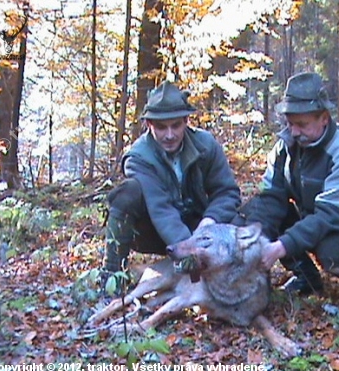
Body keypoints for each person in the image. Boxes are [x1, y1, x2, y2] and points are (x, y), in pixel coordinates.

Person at [242, 72, 339, 317]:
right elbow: (270, 197)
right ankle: (307, 278)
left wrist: (279, 248)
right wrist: (258, 239)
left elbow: (330, 216)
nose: (294, 131)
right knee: (255, 212)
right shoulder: (285, 147)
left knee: (331, 249)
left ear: (324, 118)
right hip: (312, 217)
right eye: (290, 123)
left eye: (302, 124)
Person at [101, 80, 241, 292]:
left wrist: (209, 223)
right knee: (127, 193)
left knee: (245, 221)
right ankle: (111, 279)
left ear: (186, 121)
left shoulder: (206, 145)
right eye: (161, 127)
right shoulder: (138, 158)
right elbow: (161, 210)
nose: (169, 135)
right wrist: (189, 254)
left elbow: (227, 192)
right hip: (156, 232)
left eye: (176, 125)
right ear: (149, 125)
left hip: (201, 227)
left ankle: (237, 280)